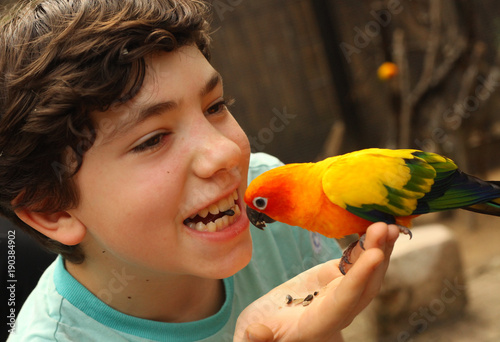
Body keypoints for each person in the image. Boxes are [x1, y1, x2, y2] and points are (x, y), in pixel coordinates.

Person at [0, 0, 399, 341]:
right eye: (152, 139)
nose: (224, 151)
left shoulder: (275, 205)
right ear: (54, 211)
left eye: (215, 106)